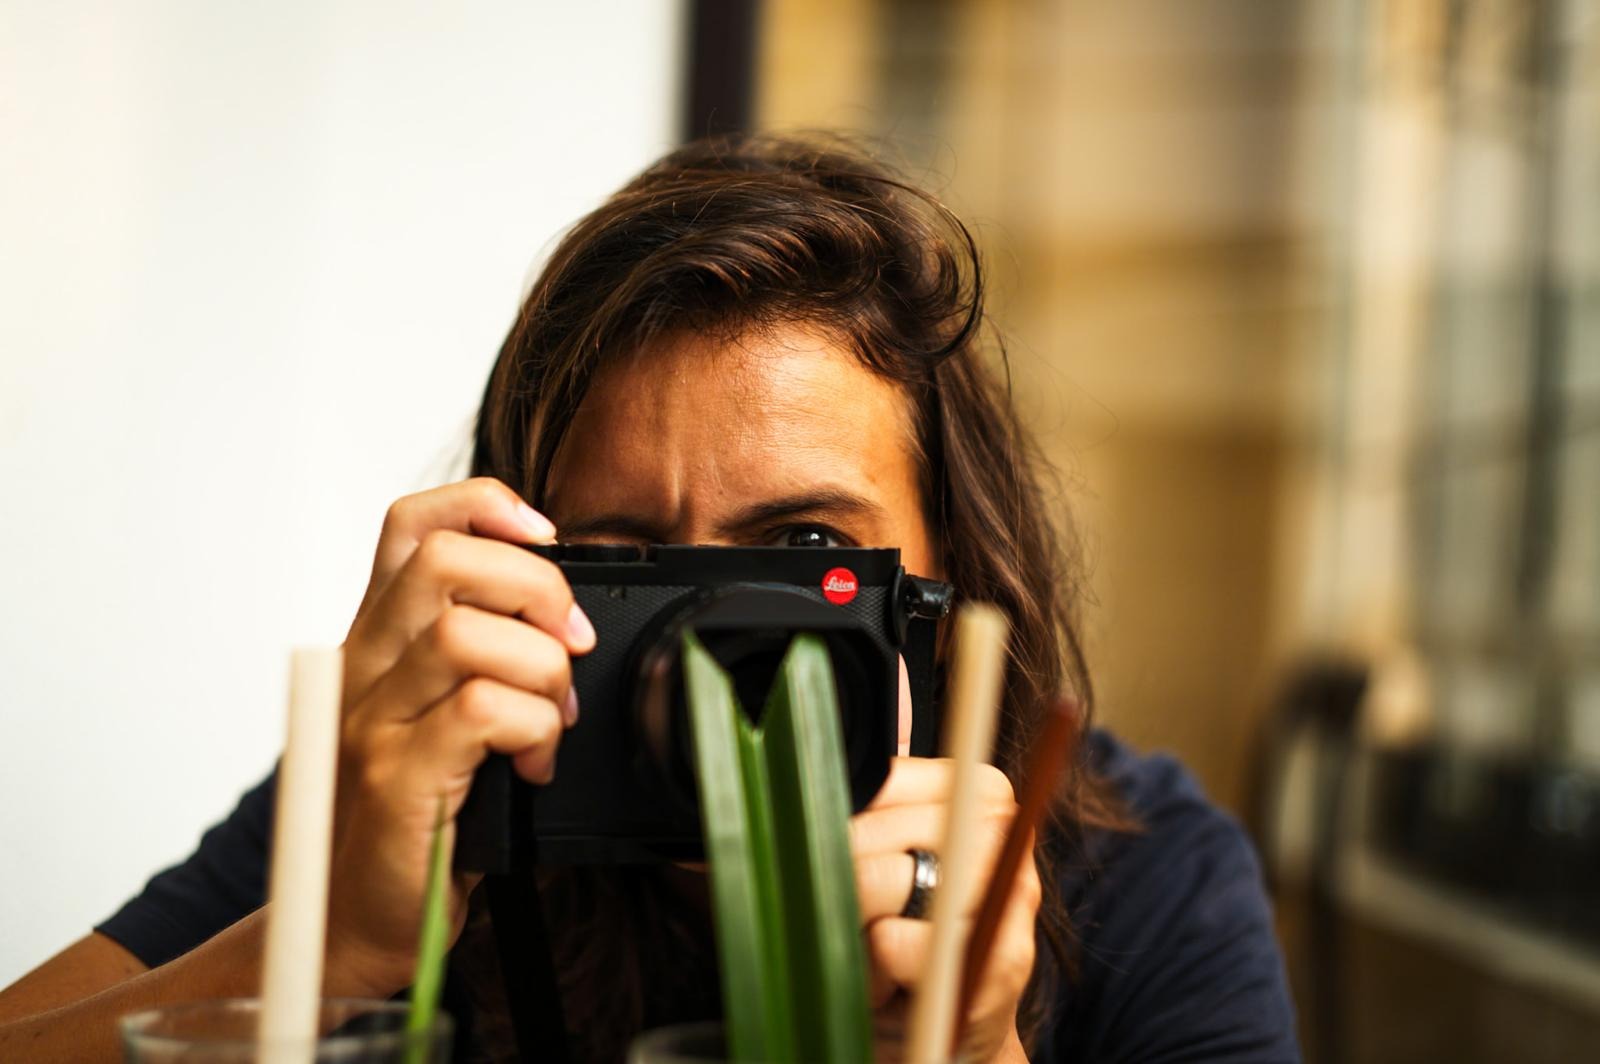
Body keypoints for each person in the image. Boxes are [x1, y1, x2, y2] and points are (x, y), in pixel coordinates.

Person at [0, 133, 1299, 1062]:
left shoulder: (1145, 878)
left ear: (942, 578)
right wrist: (330, 942)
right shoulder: (432, 804)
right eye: (628, 559)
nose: (712, 647)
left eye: (798, 547)